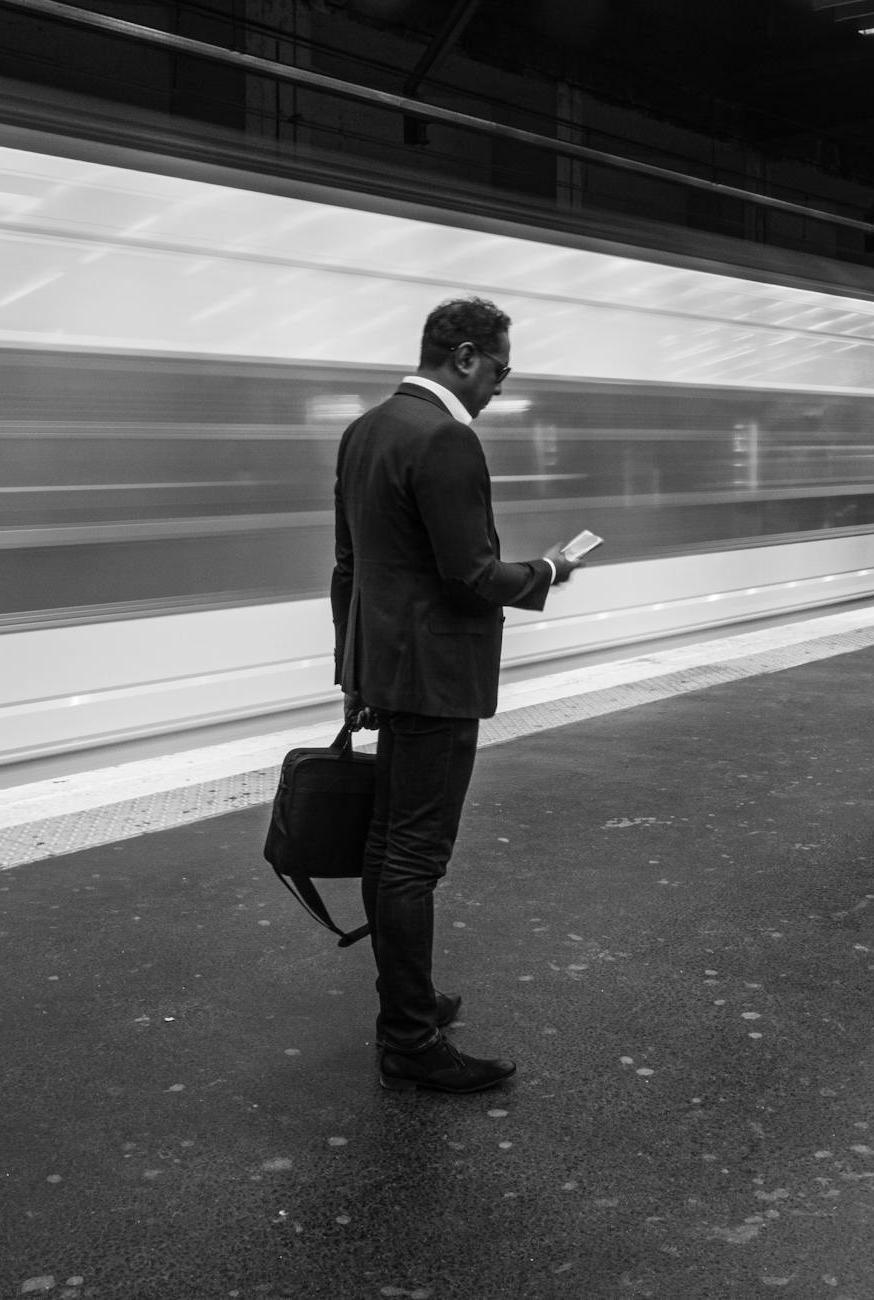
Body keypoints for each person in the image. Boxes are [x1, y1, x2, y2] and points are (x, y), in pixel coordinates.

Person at [331, 296, 585, 1094]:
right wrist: (546, 572)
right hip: (437, 679)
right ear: (466, 356)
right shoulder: (446, 438)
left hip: (386, 667)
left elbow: (349, 567)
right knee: (413, 859)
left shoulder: (365, 428)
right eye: (501, 371)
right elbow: (472, 576)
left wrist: (355, 673)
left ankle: (410, 1004)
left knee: (385, 850)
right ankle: (408, 1038)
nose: (500, 389)